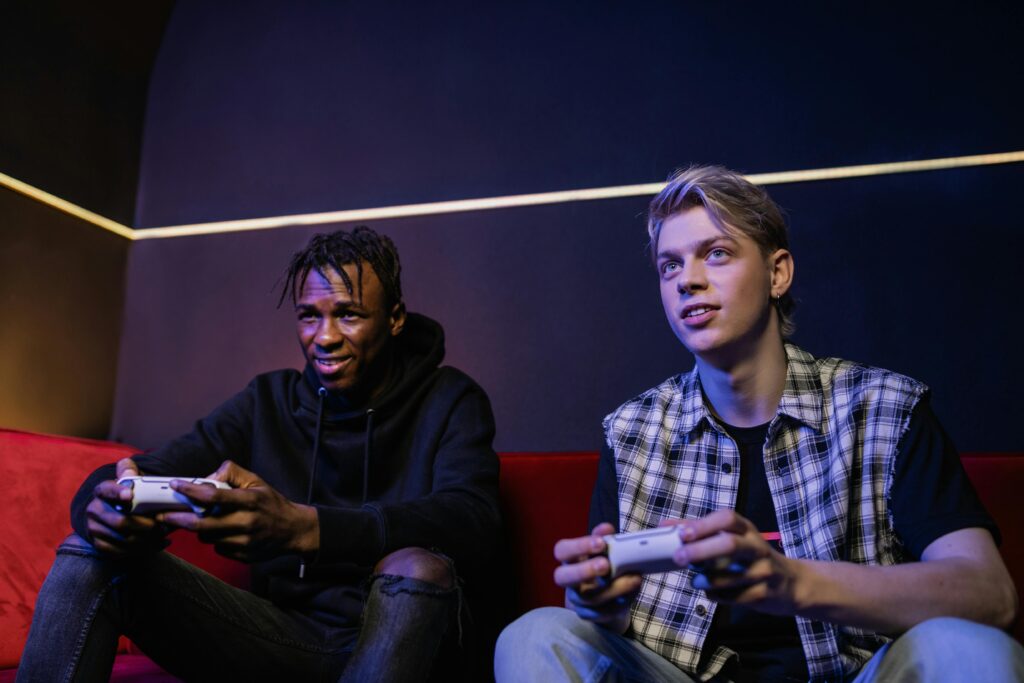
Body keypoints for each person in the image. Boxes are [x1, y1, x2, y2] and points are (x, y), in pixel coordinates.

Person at [495, 166, 1024, 682]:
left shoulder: (883, 406)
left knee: (965, 647)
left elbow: (990, 595)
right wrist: (598, 605)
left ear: (778, 274)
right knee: (535, 636)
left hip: (855, 674)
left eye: (716, 253)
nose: (688, 281)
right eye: (670, 266)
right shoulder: (633, 431)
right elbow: (610, 624)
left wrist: (792, 581)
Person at [18, 226, 501, 682]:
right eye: (309, 316)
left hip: (403, 643)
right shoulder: (268, 400)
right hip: (283, 638)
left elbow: (473, 520)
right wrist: (101, 503)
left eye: (348, 314)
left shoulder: (450, 398)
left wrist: (308, 528)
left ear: (394, 318)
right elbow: (154, 467)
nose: (325, 337)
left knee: (417, 568)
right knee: (89, 552)